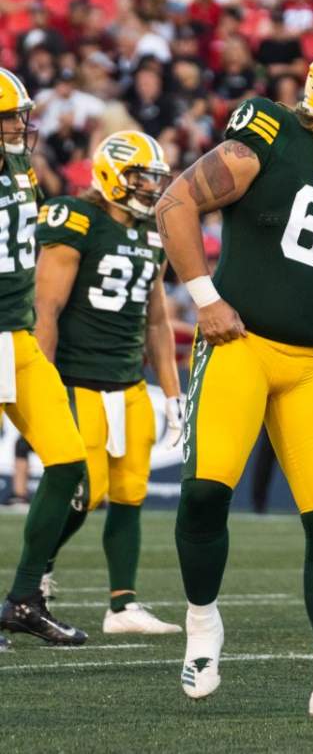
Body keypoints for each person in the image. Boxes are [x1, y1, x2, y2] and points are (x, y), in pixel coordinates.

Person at [155, 46, 313, 717]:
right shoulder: (270, 131)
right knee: (207, 493)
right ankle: (203, 619)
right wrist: (205, 297)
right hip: (241, 345)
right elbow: (175, 201)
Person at [32, 130, 183, 634]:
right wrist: (44, 376)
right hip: (77, 377)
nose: (148, 187)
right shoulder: (77, 220)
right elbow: (46, 306)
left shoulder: (154, 233)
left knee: (129, 491)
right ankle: (36, 577)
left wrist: (174, 391)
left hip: (128, 380)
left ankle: (122, 605)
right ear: (112, 175)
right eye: (140, 177)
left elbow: (158, 321)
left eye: (153, 179)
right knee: (86, 488)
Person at [0, 68, 89, 651]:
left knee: (67, 462)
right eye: (9, 116)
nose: (19, 126)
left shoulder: (19, 164)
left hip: (18, 336)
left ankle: (24, 598)